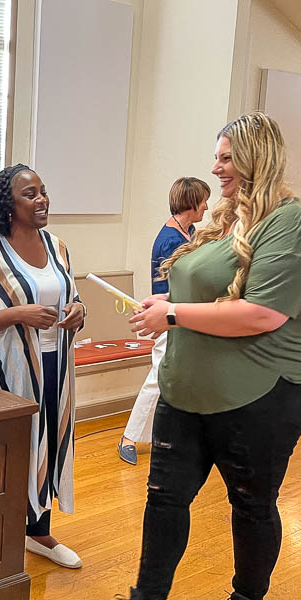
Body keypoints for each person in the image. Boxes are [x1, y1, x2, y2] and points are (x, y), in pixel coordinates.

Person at [123, 111, 301, 600]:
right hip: (186, 391)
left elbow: (262, 314)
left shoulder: (289, 220)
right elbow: (208, 287)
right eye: (216, 158)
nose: (217, 168)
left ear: (254, 157)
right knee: (163, 502)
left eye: (227, 158)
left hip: (256, 399)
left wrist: (175, 314)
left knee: (250, 506)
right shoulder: (225, 218)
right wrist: (168, 301)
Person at [0, 164, 86, 569]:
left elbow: (73, 296)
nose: (41, 199)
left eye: (43, 191)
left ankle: (38, 533)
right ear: (8, 205)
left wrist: (80, 310)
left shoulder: (58, 247)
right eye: (30, 194)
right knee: (13, 451)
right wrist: (18, 314)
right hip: (8, 376)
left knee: (47, 440)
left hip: (56, 368)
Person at [118, 177, 209, 465]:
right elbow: (177, 284)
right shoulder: (170, 240)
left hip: (182, 313)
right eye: (203, 200)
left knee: (185, 377)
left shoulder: (188, 231)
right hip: (167, 315)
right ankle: (129, 438)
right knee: (158, 378)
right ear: (191, 203)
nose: (207, 206)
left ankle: (186, 435)